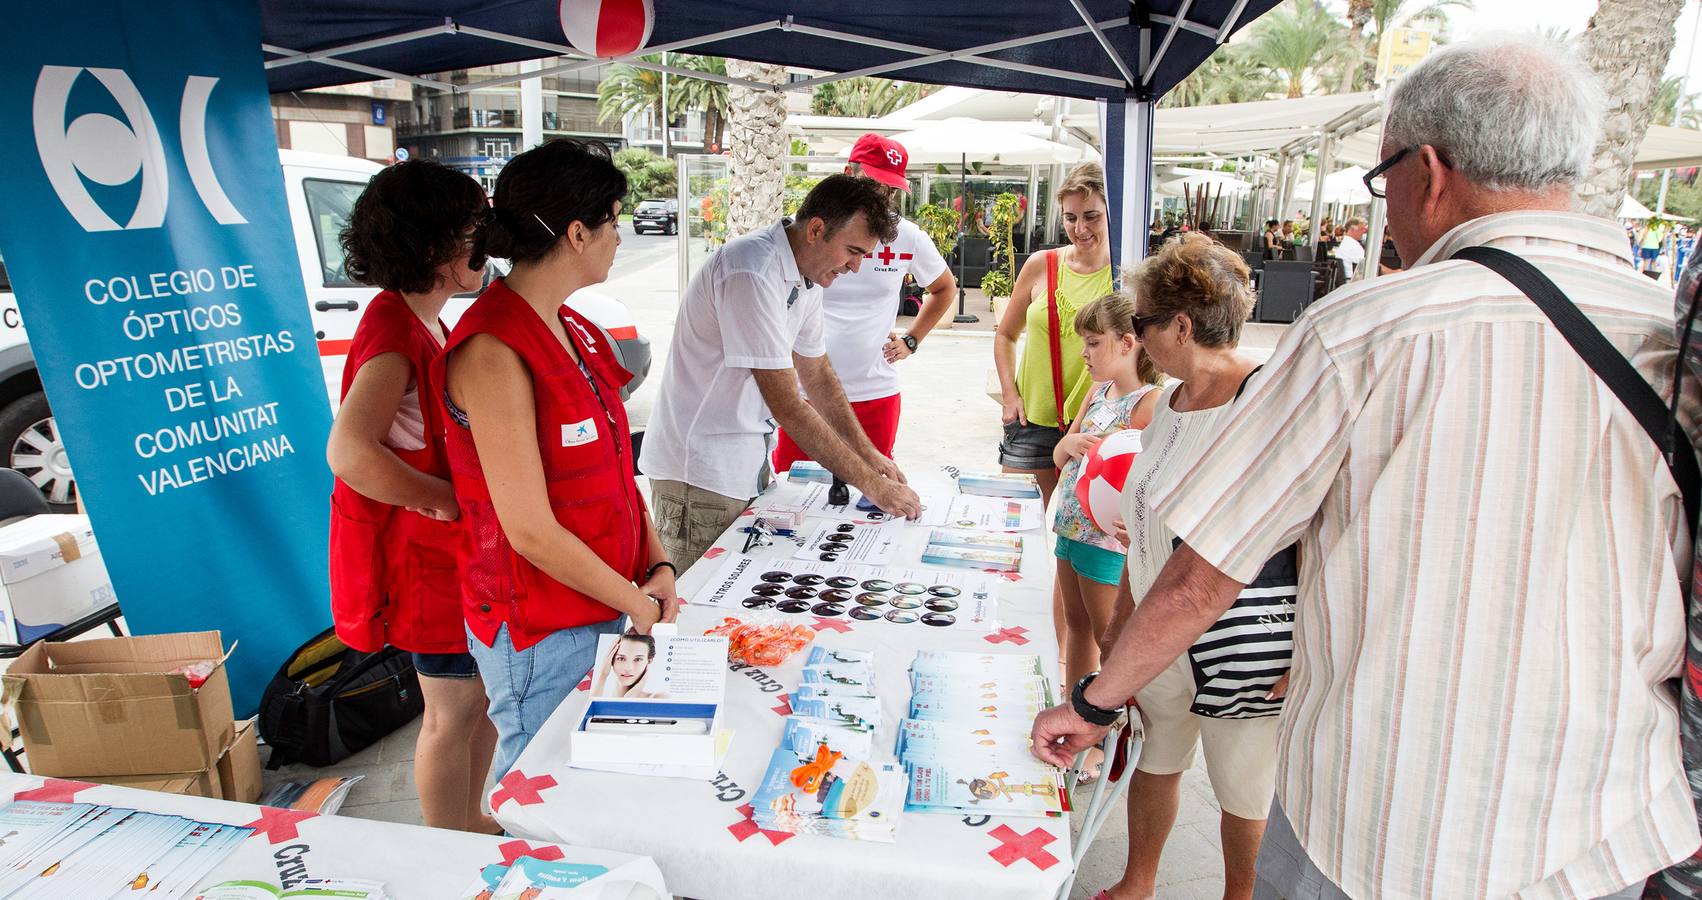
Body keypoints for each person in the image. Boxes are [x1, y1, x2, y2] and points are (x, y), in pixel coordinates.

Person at [1030, 35, 1701, 900]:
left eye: (1383, 181)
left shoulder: (1367, 330)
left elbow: (1206, 574)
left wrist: (1091, 704)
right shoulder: (1667, 332)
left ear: (1427, 171)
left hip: (1385, 826)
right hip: (1604, 828)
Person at [439, 140, 681, 781]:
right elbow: (529, 529)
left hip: (606, 600)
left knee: (592, 793)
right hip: (544, 626)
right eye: (614, 220)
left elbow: (617, 477)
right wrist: (634, 600)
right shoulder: (494, 349)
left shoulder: (576, 329)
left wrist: (655, 563)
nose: (620, 238)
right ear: (577, 232)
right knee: (538, 805)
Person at [1088, 235, 1293, 900]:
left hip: (1243, 641)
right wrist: (1122, 613)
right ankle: (1137, 882)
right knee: (1159, 756)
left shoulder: (1270, 398)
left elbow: (1324, 525)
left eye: (1142, 324)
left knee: (1243, 786)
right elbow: (1143, 519)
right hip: (1157, 627)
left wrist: (1311, 646)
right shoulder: (1169, 405)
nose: (1137, 339)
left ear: (1180, 324)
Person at [325, 159, 498, 833]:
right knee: (452, 713)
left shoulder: (425, 321)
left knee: (476, 703)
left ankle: (470, 821)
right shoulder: (395, 333)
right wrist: (441, 498)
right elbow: (349, 452)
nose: (483, 245)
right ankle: (446, 839)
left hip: (447, 561)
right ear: (436, 248)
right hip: (424, 566)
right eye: (471, 231)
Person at [642, 175, 923, 571]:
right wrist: (872, 484)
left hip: (743, 463)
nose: (856, 267)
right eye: (853, 251)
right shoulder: (751, 271)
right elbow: (789, 404)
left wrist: (869, 453)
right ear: (816, 229)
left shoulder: (808, 276)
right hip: (699, 473)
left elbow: (818, 373)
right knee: (701, 610)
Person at [772, 135, 958, 473]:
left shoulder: (908, 235)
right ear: (848, 172)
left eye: (889, 188)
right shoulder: (812, 230)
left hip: (874, 392)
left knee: (872, 492)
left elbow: (944, 288)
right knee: (792, 490)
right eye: (873, 182)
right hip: (806, 394)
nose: (879, 196)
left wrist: (911, 340)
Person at [1049, 291, 1162, 779]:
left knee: (1106, 636)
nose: (1084, 353)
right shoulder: (1096, 395)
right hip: (1071, 528)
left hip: (1105, 542)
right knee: (1075, 626)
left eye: (1093, 343)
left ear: (1128, 343)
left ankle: (1106, 739)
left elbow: (1156, 478)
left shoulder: (1150, 403)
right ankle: (1075, 715)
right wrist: (1067, 445)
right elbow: (1060, 458)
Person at [993, 162, 1114, 508]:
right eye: (1071, 217)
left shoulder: (1124, 275)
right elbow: (1006, 335)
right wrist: (1009, 395)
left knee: (1079, 542)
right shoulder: (1041, 265)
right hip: (1032, 419)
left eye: (1092, 216)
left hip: (1097, 424)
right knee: (1012, 522)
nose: (1080, 228)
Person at [592, 632, 656, 699]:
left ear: (649, 660)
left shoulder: (657, 698)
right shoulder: (599, 695)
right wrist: (603, 675)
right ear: (611, 659)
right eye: (621, 658)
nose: (628, 668)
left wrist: (631, 696)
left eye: (638, 659)